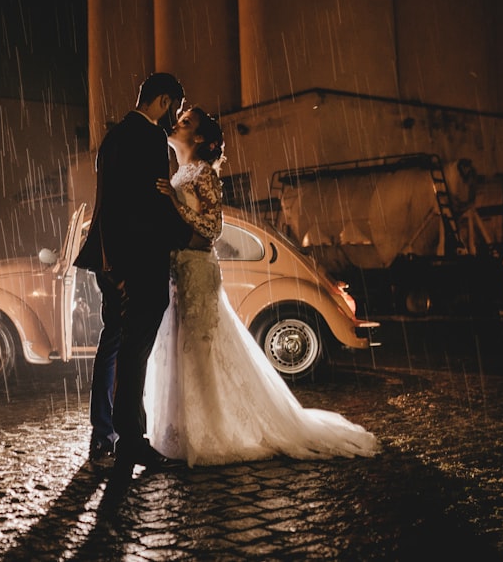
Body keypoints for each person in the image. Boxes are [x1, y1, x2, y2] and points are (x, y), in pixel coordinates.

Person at [144, 104, 381, 467]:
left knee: (200, 350)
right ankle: (181, 430)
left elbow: (211, 229)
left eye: (186, 122)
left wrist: (172, 205)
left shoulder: (204, 173)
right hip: (179, 272)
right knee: (180, 349)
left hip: (197, 271)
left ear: (201, 139)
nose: (176, 124)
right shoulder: (181, 174)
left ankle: (210, 433)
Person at [73, 72, 205, 475]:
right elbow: (144, 207)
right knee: (135, 352)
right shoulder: (147, 139)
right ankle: (132, 440)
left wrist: (112, 264)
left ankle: (105, 432)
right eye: (177, 108)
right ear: (163, 101)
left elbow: (112, 205)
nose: (177, 116)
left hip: (109, 258)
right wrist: (189, 235)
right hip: (137, 263)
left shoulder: (114, 137)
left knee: (113, 345)